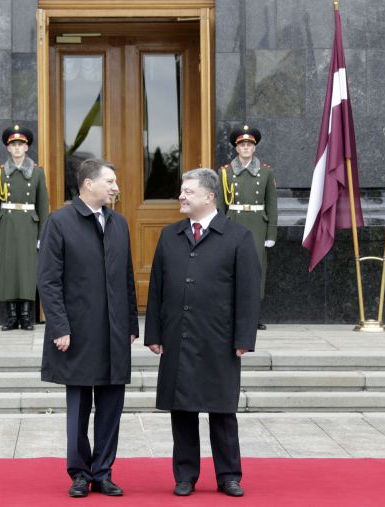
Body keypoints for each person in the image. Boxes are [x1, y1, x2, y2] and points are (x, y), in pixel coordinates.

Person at [145, 168, 260, 497]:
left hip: (218, 339)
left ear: (209, 197)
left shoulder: (237, 236)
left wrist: (244, 338)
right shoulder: (170, 235)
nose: (181, 196)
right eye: (182, 190)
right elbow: (157, 288)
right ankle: (185, 475)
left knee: (222, 410)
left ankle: (229, 475)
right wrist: (154, 332)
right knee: (182, 410)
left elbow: (248, 292)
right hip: (178, 336)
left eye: (189, 191)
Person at [38, 159, 139, 498]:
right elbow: (48, 281)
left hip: (114, 332)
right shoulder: (60, 222)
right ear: (88, 184)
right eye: (110, 181)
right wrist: (59, 327)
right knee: (79, 407)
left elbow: (126, 278)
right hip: (77, 333)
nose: (116, 187)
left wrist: (130, 324)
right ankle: (80, 473)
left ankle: (103, 472)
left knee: (111, 406)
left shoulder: (119, 223)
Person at [0, 124, 49, 331]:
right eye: (13, 144)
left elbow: (43, 206)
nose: (16, 148)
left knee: (26, 270)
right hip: (6, 225)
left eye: (20, 144)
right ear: (8, 148)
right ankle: (11, 317)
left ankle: (25, 316)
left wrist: (42, 234)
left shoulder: (37, 172)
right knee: (8, 270)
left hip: (28, 226)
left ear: (26, 147)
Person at [217, 125, 278, 330]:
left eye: (249, 145)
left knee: (256, 269)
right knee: (231, 268)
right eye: (242, 145)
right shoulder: (225, 172)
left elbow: (272, 205)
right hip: (233, 222)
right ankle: (232, 313)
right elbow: (220, 205)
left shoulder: (266, 172)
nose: (245, 148)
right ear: (236, 148)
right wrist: (219, 229)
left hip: (257, 225)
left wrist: (271, 233)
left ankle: (253, 315)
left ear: (254, 148)